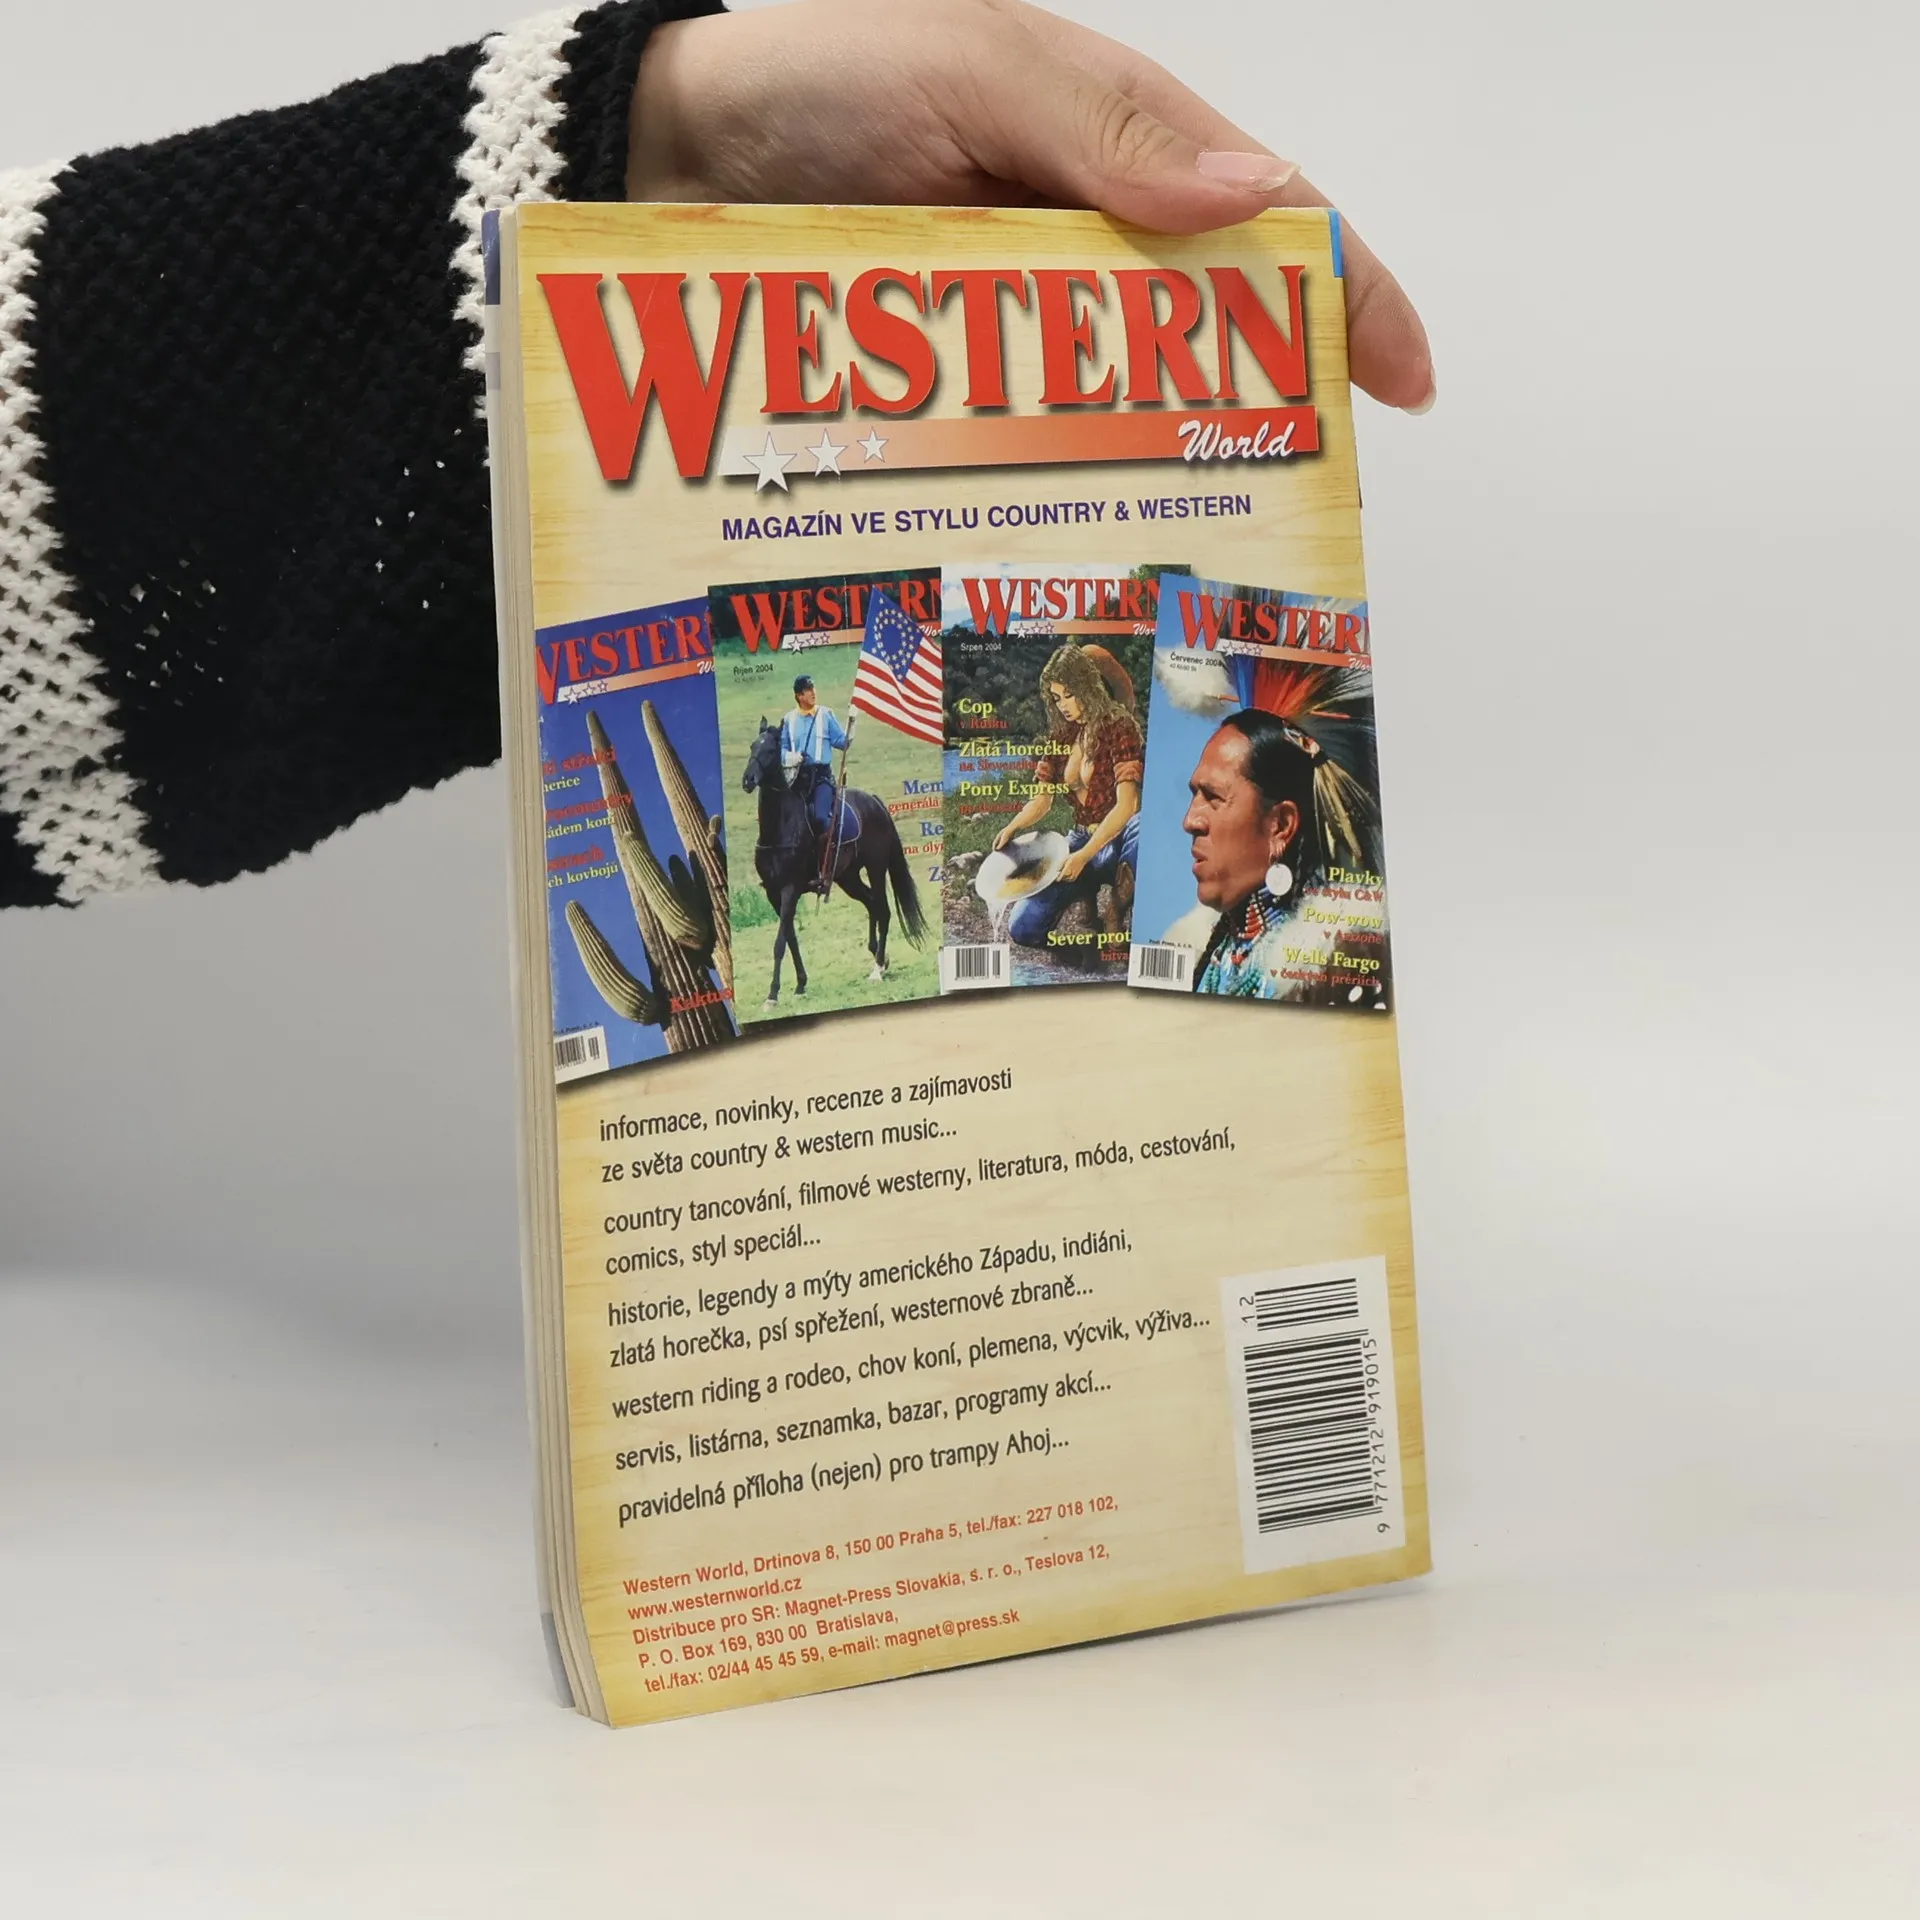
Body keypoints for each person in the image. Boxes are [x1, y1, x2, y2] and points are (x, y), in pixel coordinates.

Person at [0, 0, 1433, 914]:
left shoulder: (1117, 746)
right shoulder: (905, 728)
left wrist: (667, 153)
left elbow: (1103, 803)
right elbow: (1060, 791)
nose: (1060, 705)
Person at [992, 643, 1141, 951]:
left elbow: (1129, 804)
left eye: (1069, 694)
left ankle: (1116, 909)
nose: (1063, 705)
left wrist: (1084, 856)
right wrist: (1012, 827)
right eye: (1057, 697)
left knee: (1142, 828)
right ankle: (1084, 900)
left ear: (1088, 687)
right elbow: (1042, 799)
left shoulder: (1120, 726)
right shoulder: (1061, 736)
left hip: (1116, 841)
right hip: (1078, 838)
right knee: (1023, 929)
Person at [1180, 708, 1320, 998]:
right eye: (1195, 795)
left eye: (1214, 797)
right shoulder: (1214, 960)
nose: (1190, 821)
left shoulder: (1320, 966)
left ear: (1280, 826)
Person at [779, 672, 855, 862]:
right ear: (799, 696)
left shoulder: (826, 715)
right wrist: (793, 757)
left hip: (821, 779)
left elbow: (843, 743)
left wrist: (852, 723)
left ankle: (828, 861)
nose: (813, 693)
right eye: (808, 690)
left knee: (821, 818)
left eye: (813, 688)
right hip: (797, 780)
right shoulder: (788, 720)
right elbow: (781, 751)